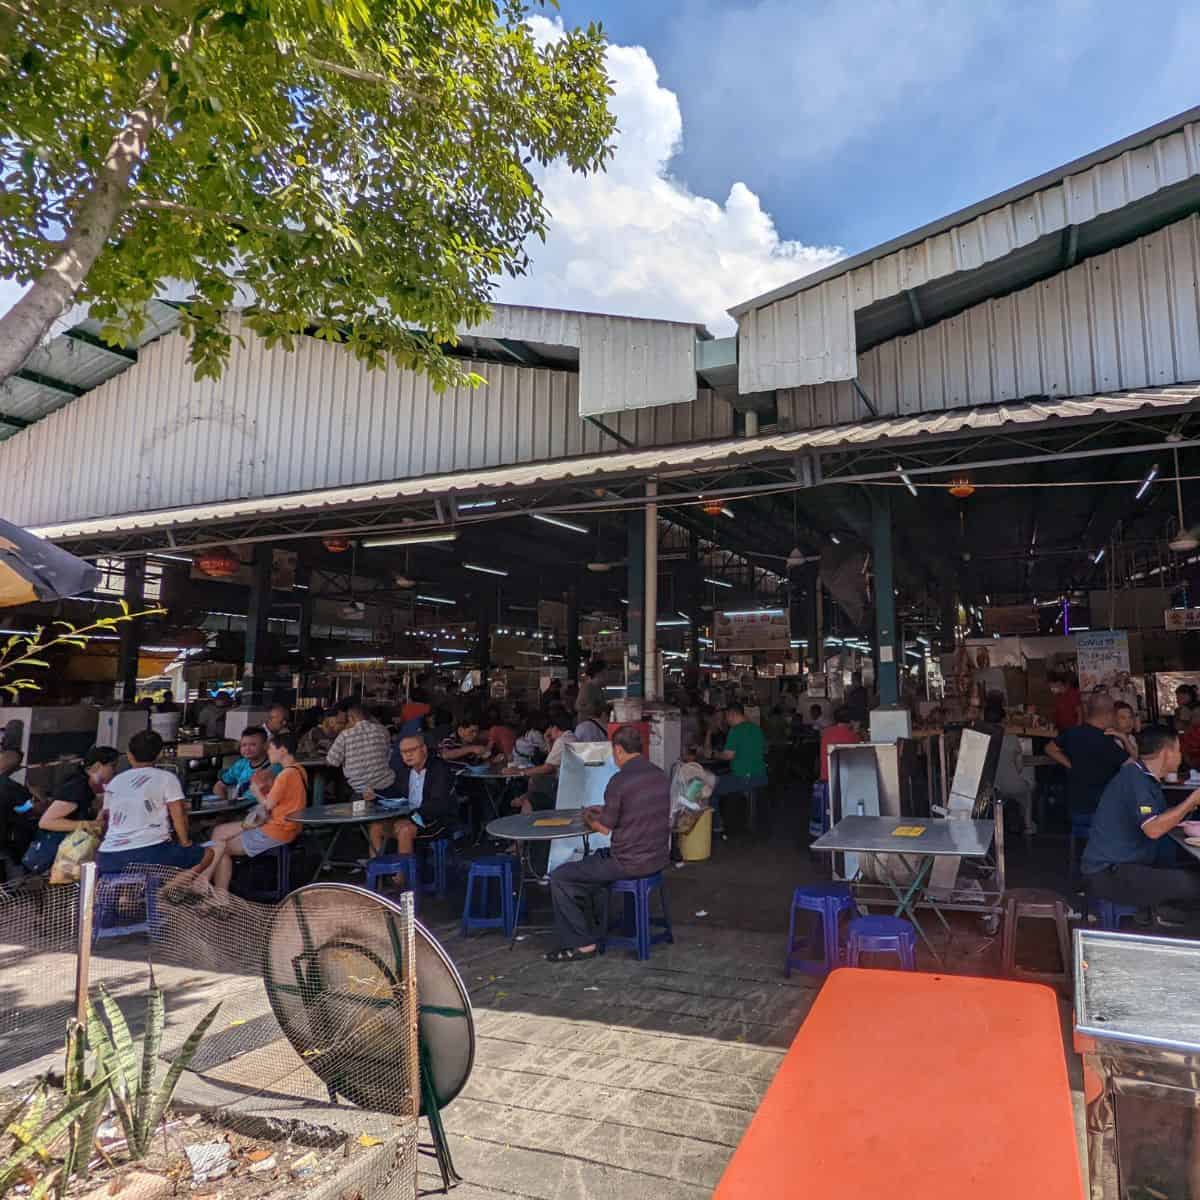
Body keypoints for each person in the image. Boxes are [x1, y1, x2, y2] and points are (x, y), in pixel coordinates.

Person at [545, 725, 671, 963]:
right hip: (657, 858)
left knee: (561, 876)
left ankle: (583, 944)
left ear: (619, 750)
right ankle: (594, 924)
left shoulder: (620, 780)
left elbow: (604, 828)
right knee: (588, 866)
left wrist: (588, 817)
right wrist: (603, 810)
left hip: (628, 862)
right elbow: (634, 811)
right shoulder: (659, 774)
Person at [1082, 724, 1200, 925]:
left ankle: (1162, 912)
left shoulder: (1142, 776)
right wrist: (1190, 801)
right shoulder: (1135, 780)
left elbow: (1161, 819)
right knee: (1193, 884)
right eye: (1178, 750)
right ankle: (1163, 914)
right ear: (1166, 753)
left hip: (1126, 866)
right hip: (1110, 873)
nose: (1181, 756)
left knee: (1185, 869)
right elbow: (1153, 829)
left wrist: (1190, 807)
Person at [94, 730, 219, 883]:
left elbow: (106, 820)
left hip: (108, 856)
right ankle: (167, 892)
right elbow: (178, 814)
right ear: (160, 754)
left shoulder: (115, 782)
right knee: (207, 854)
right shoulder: (167, 778)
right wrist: (185, 843)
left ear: (129, 755)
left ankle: (134, 897)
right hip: (149, 854)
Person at [207, 731, 307, 902]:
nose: (269, 753)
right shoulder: (300, 770)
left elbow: (267, 805)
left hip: (276, 830)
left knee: (219, 847)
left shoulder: (285, 775)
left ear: (282, 750)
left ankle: (215, 894)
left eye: (271, 749)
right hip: (289, 827)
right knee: (219, 835)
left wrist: (256, 791)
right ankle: (214, 892)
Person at [23, 746, 119, 875]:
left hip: (64, 860)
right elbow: (47, 822)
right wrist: (87, 825)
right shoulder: (78, 788)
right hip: (52, 861)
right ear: (97, 766)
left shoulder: (87, 789)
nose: (115, 771)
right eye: (112, 766)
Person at [368, 733, 459, 858]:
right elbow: (396, 792)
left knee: (405, 830)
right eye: (403, 752)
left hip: (436, 819)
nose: (407, 755)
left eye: (412, 750)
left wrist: (412, 817)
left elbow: (439, 803)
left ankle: (403, 876)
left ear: (424, 749)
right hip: (410, 816)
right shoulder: (404, 771)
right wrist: (375, 794)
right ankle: (376, 871)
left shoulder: (439, 769)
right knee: (376, 827)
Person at [1046, 693, 1129, 821]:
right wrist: (1125, 739)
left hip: (1076, 810)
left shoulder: (1073, 733)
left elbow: (1050, 749)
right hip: (1102, 812)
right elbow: (1134, 766)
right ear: (1108, 714)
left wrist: (1071, 765)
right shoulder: (1105, 741)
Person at [710, 703, 768, 833]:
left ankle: (716, 826)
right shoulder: (756, 728)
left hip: (744, 778)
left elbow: (728, 756)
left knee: (709, 789)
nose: (726, 721)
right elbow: (764, 749)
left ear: (732, 714)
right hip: (761, 777)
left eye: (726, 717)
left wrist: (713, 754)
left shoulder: (735, 730)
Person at [326, 703, 400, 802]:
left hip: (361, 792)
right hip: (388, 787)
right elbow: (387, 755)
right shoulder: (383, 731)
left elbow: (332, 762)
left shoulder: (345, 735)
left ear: (351, 718)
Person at [986, 702, 1037, 839]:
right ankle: (1028, 825)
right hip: (1014, 786)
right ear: (1004, 719)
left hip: (993, 787)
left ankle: (996, 824)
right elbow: (1019, 765)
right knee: (1028, 783)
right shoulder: (1010, 737)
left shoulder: (983, 737)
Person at [0, 749, 41, 872]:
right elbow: (29, 810)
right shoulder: (12, 788)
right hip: (5, 846)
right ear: (17, 768)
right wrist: (38, 796)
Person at [214, 728, 277, 802]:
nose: (247, 749)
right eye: (244, 745)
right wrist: (225, 805)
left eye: (253, 745)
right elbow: (218, 786)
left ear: (265, 745)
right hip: (240, 809)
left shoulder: (275, 767)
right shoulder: (240, 765)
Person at [819, 706, 861, 786]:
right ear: (851, 720)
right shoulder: (852, 735)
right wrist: (856, 731)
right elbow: (859, 751)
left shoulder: (826, 732)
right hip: (842, 778)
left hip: (825, 777)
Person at [575, 660, 608, 725]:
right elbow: (578, 706)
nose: (607, 676)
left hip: (595, 724)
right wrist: (596, 709)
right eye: (605, 673)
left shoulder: (598, 688)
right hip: (587, 726)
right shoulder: (587, 687)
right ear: (598, 674)